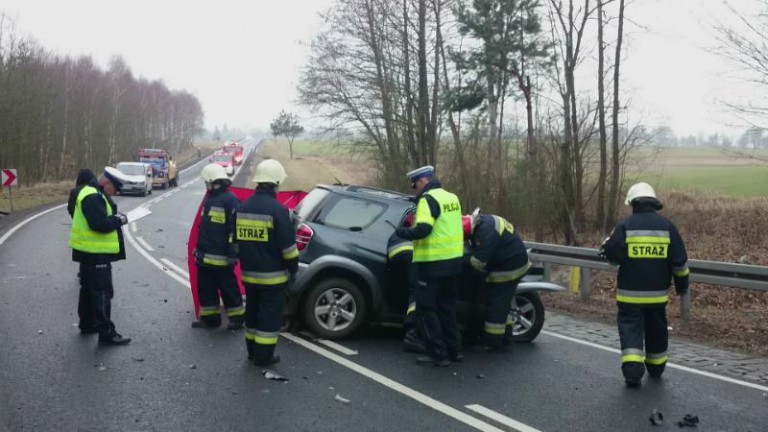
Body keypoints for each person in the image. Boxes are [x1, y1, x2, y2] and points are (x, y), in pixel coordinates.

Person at [600, 182, 689, 387]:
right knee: (657, 329)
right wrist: (682, 286)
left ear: (633, 203)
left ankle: (633, 371)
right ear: (653, 202)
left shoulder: (625, 226)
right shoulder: (667, 227)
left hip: (629, 296)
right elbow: (680, 263)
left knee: (631, 329)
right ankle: (656, 367)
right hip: (658, 296)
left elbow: (612, 254)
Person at [395, 165, 464, 366]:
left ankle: (438, 354)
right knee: (447, 309)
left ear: (423, 181)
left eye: (415, 185)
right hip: (453, 263)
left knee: (426, 312)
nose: (415, 189)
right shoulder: (452, 197)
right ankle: (454, 351)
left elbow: (423, 229)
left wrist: (403, 232)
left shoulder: (427, 200)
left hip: (431, 265)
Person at [235, 159, 298, 366]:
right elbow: (288, 249)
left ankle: (252, 352)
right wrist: (293, 270)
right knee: (269, 318)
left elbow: (235, 245)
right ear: (276, 183)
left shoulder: (242, 208)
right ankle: (264, 356)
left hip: (249, 276)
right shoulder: (278, 211)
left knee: (252, 314)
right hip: (273, 279)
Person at [68, 167, 132, 346]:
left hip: (88, 252)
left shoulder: (91, 192)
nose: (115, 193)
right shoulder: (93, 196)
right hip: (96, 253)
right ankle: (107, 333)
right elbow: (99, 224)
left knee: (88, 291)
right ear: (106, 183)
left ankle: (87, 324)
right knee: (102, 292)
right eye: (115, 189)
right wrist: (120, 220)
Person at [466, 209, 531, 352]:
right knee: (503, 303)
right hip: (514, 260)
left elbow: (478, 263)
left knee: (496, 304)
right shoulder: (485, 222)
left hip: (509, 268)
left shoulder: (485, 234)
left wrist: (465, 261)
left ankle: (493, 343)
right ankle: (506, 337)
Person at [191, 163, 245, 330]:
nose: (206, 185)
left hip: (222, 258)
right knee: (206, 289)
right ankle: (210, 319)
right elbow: (205, 229)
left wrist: (232, 253)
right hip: (205, 256)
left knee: (229, 289)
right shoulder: (210, 200)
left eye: (206, 182)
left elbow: (234, 230)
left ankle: (237, 318)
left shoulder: (231, 201)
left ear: (213, 181)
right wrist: (199, 250)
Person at [386, 212, 425, 353]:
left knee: (410, 288)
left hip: (394, 252)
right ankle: (412, 334)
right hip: (411, 251)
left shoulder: (411, 215)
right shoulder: (427, 215)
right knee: (417, 292)